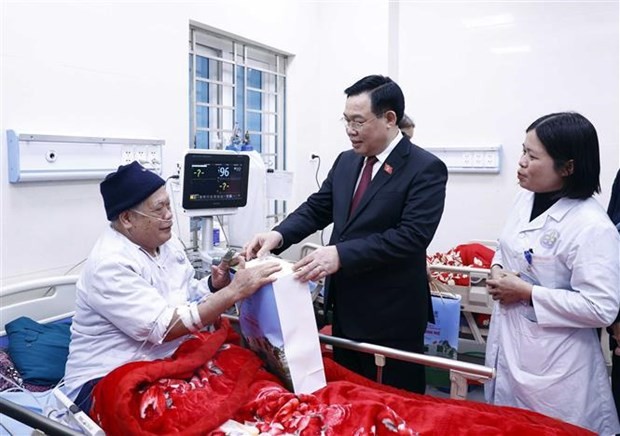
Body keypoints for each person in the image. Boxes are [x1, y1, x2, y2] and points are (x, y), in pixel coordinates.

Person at [244, 75, 448, 393]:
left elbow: (411, 236)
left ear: (389, 119)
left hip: (392, 313)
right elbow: (318, 208)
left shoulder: (424, 168)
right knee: (345, 397)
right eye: (346, 120)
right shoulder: (346, 162)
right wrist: (278, 235)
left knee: (394, 402)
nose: (350, 130)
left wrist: (341, 254)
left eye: (358, 121)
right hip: (345, 308)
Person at [63, 161, 281, 413]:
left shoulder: (167, 242)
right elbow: (164, 327)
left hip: (169, 359)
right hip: (108, 376)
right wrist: (233, 292)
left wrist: (213, 285)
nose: (169, 215)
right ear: (127, 219)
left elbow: (183, 298)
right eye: (159, 209)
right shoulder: (110, 264)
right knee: (189, 414)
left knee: (256, 381)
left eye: (169, 204)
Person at [484, 112, 620, 435]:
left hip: (559, 369)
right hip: (510, 346)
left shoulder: (592, 226)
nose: (520, 163)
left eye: (532, 156)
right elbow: (507, 246)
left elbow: (601, 307)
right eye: (522, 151)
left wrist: (528, 293)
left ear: (567, 167)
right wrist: (497, 268)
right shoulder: (524, 199)